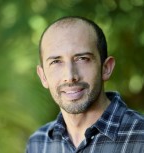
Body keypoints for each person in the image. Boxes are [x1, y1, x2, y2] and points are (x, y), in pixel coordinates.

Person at [26, 16, 144, 153]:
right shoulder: (38, 143)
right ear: (43, 76)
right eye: (56, 62)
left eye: (82, 59)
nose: (70, 77)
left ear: (106, 68)